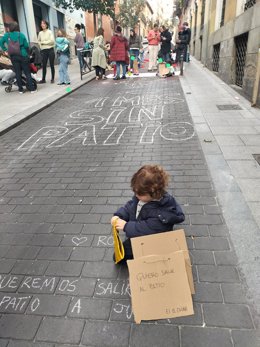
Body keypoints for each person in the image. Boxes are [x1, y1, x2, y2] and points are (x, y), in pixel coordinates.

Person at [111, 165, 185, 263]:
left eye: (139, 194)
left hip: (152, 239)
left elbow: (146, 229)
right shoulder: (142, 197)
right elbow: (130, 206)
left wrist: (126, 226)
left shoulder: (161, 214)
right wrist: (120, 215)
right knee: (119, 254)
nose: (136, 195)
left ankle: (152, 258)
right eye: (135, 192)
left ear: (154, 194)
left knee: (118, 257)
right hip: (141, 229)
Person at [0, 22, 36, 93]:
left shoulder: (7, 35)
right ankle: (32, 89)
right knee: (27, 72)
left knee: (18, 73)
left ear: (10, 28)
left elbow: (1, 42)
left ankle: (20, 90)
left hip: (13, 56)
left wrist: (5, 50)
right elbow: (26, 46)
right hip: (23, 55)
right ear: (17, 28)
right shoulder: (21, 35)